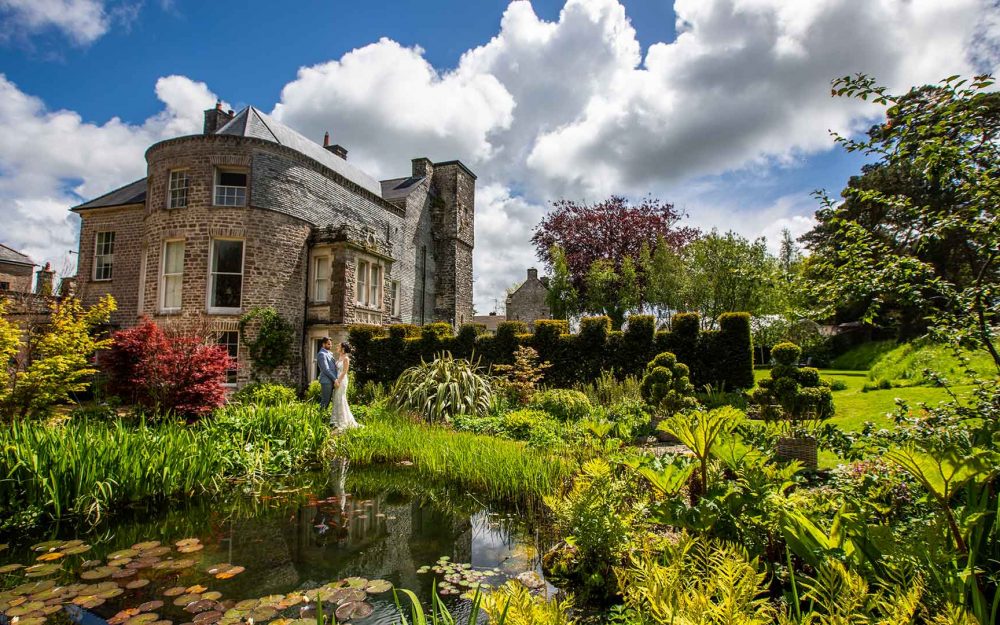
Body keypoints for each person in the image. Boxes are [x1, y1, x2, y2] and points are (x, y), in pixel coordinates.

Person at [331, 342, 361, 430]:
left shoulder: (346, 358)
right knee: (336, 398)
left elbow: (344, 372)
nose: (337, 347)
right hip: (337, 379)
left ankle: (343, 421)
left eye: (339, 346)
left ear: (343, 348)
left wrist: (338, 381)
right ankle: (336, 420)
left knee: (340, 398)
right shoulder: (339, 357)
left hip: (342, 381)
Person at [316, 337, 339, 412]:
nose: (330, 346)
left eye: (331, 344)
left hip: (332, 380)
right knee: (325, 401)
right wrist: (334, 379)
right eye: (328, 344)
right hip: (326, 381)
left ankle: (323, 418)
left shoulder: (329, 353)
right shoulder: (321, 354)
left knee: (329, 401)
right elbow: (326, 369)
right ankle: (318, 419)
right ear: (323, 344)